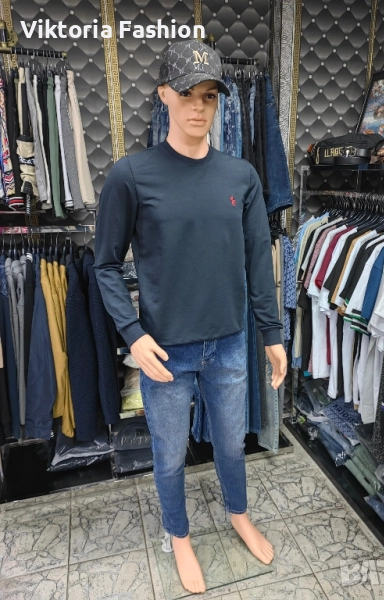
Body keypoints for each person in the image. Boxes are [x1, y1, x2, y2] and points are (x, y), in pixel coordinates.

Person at [94, 39, 287, 595]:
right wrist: (132, 335)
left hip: (228, 343)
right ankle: (178, 535)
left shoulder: (241, 177)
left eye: (209, 95)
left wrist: (271, 333)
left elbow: (257, 259)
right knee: (169, 453)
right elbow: (105, 265)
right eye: (186, 94)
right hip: (166, 352)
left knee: (230, 443)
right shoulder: (132, 175)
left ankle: (238, 513)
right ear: (164, 96)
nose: (198, 107)